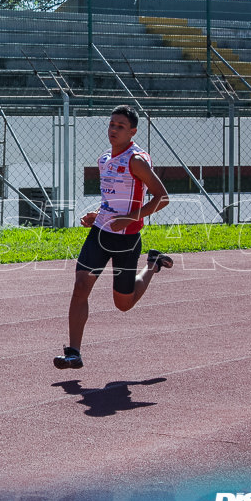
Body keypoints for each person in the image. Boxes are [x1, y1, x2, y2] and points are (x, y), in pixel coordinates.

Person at [54, 105, 171, 370]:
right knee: (81, 285)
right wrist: (97, 214)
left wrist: (130, 218)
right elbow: (112, 199)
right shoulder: (105, 159)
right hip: (101, 233)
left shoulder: (136, 161)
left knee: (123, 304)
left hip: (126, 239)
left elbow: (162, 198)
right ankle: (74, 352)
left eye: (120, 126)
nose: (113, 130)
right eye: (111, 124)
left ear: (133, 132)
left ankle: (152, 265)